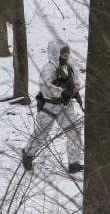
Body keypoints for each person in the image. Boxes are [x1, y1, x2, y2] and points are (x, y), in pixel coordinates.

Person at [21, 38, 84, 174]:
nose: (66, 56)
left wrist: (75, 88)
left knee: (74, 131)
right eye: (63, 53)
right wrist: (62, 92)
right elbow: (44, 87)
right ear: (56, 52)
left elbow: (76, 79)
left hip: (66, 106)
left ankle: (74, 163)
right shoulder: (49, 68)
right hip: (49, 107)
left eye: (67, 53)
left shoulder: (68, 67)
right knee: (42, 134)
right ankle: (27, 154)